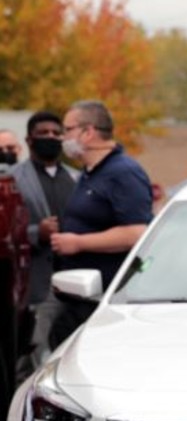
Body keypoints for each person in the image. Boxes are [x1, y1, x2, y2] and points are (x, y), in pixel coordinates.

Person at [49, 100, 152, 346]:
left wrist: (78, 243)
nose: (62, 138)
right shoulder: (90, 172)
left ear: (88, 132)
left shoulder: (123, 173)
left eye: (67, 130)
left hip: (104, 300)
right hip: (78, 298)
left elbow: (137, 232)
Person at [10, 111, 79, 374]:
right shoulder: (13, 179)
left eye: (55, 133)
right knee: (34, 355)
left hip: (74, 279)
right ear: (29, 140)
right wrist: (36, 232)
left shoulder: (76, 177)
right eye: (43, 133)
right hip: (35, 283)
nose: (50, 137)